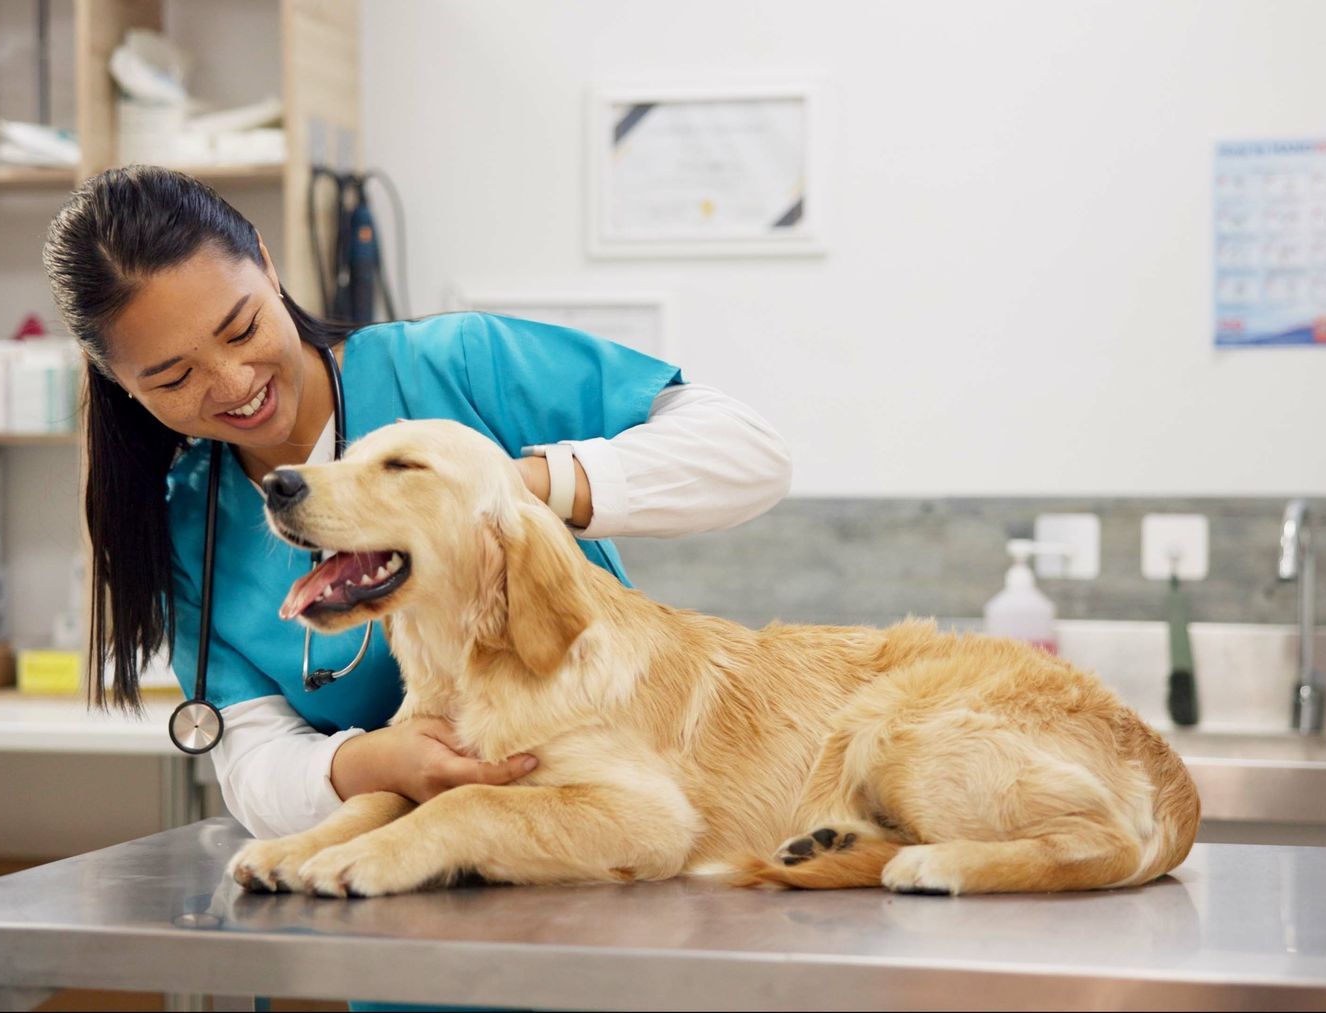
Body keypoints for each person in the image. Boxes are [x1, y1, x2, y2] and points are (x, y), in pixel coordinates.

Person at [43, 165, 791, 840]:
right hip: (399, 894)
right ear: (122, 383)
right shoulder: (187, 527)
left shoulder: (453, 367)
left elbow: (749, 454)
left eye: (242, 328)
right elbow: (250, 762)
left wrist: (509, 491)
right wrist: (374, 763)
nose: (234, 383)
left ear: (268, 267)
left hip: (605, 842)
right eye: (174, 378)